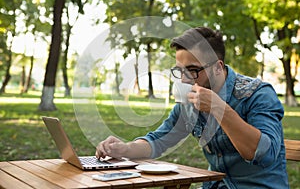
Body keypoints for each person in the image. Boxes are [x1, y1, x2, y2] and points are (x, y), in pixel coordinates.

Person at [95, 27, 289, 188]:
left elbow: (264, 153)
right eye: (179, 71)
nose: (185, 79)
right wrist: (124, 149)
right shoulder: (190, 101)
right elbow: (159, 141)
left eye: (193, 70)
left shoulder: (257, 94)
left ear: (217, 67)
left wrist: (219, 108)